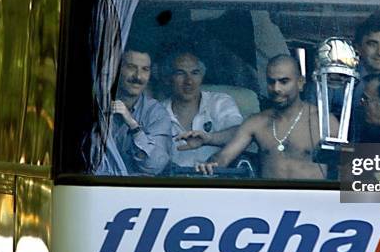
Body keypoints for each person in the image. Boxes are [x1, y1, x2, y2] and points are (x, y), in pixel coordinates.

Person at [196, 55, 339, 179]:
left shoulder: (324, 122)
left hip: (311, 205)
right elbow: (224, 157)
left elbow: (347, 172)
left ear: (300, 83)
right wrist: (210, 165)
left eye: (284, 82)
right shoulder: (256, 122)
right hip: (268, 207)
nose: (276, 89)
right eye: (271, 82)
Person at [162, 52, 243, 168]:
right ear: (168, 79)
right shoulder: (158, 112)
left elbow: (240, 134)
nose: (189, 81)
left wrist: (209, 139)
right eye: (181, 73)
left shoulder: (219, 102)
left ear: (202, 77)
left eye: (195, 73)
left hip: (217, 180)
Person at [111, 48, 171, 174]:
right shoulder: (98, 105)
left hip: (138, 190)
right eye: (131, 67)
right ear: (117, 69)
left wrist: (134, 126)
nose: (138, 76)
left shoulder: (156, 113)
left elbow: (155, 165)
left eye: (145, 69)